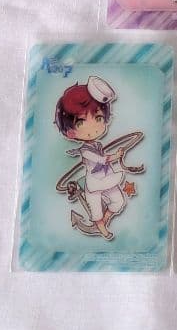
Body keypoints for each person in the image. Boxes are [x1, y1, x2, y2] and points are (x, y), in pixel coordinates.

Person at [54, 76, 127, 241]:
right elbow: (101, 160)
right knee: (96, 211)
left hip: (108, 179)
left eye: (98, 118)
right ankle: (102, 228)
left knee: (118, 202)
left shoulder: (98, 145)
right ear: (70, 132)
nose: (93, 127)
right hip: (94, 185)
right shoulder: (85, 151)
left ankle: (103, 222)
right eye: (81, 123)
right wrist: (116, 156)